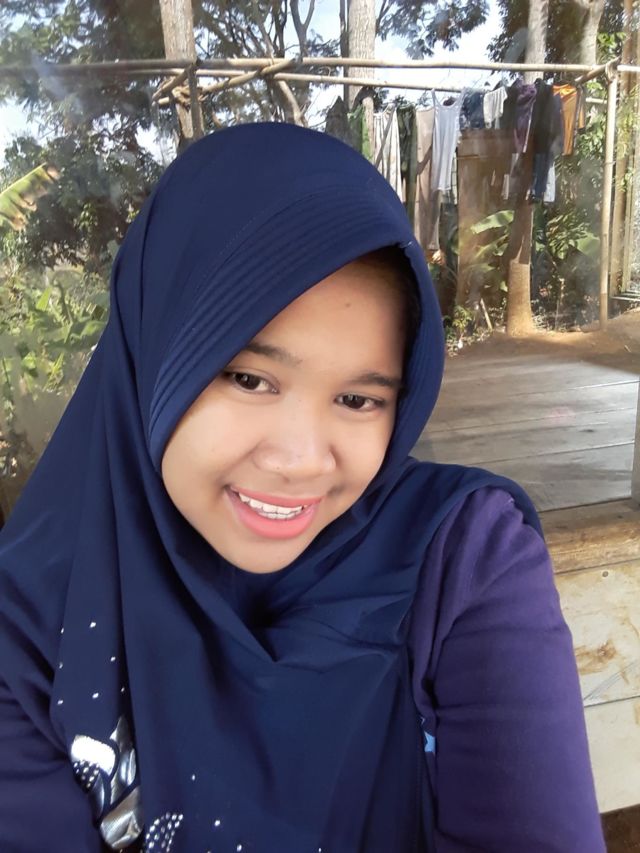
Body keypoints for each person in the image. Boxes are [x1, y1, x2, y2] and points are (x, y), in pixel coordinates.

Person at [0, 123, 605, 853]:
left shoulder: (466, 561)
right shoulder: (31, 632)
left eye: (358, 399)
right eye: (249, 378)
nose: (301, 460)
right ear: (152, 353)